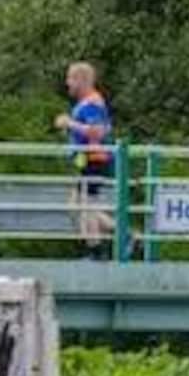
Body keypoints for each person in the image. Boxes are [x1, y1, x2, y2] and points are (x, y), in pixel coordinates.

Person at [54, 61, 115, 258]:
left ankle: (96, 251)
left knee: (86, 206)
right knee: (76, 206)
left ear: (82, 80)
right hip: (86, 160)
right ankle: (123, 235)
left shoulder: (92, 103)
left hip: (93, 160)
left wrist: (69, 123)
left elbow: (97, 132)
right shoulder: (86, 103)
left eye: (70, 78)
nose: (67, 83)